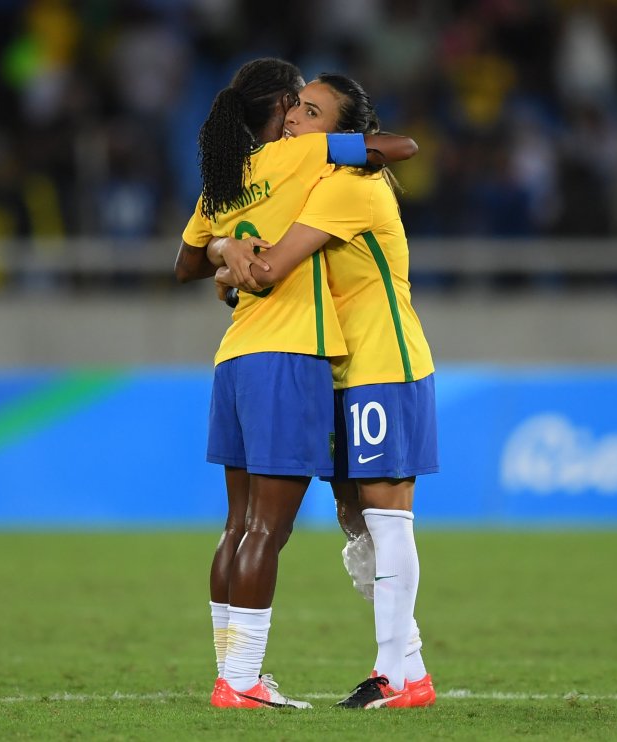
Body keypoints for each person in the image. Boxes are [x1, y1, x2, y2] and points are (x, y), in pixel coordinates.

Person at [174, 58, 418, 709]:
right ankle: (244, 681)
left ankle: (232, 674)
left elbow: (184, 264)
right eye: (299, 106)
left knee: (236, 527)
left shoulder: (222, 181)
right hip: (289, 355)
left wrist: (226, 251)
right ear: (282, 108)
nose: (301, 119)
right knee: (267, 532)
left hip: (233, 357)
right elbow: (397, 147)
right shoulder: (305, 160)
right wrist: (326, 143)